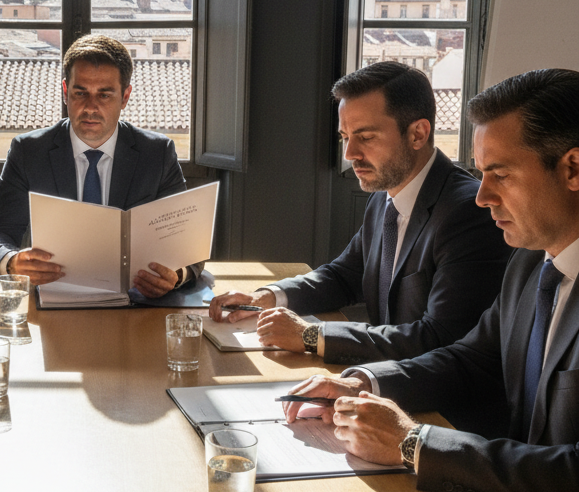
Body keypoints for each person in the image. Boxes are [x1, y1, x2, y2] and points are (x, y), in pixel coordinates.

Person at [282, 68, 579, 492]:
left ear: (573, 168)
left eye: (499, 174)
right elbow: (471, 358)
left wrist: (413, 442)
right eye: (481, 173)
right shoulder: (530, 262)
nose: (482, 197)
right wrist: (363, 383)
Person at [209, 62, 512, 365]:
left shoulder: (468, 212)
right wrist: (268, 296)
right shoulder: (385, 196)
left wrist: (312, 336)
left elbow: (439, 337)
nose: (349, 154)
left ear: (418, 134)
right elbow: (344, 276)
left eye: (365, 137)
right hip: (385, 377)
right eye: (345, 137)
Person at [0, 33, 202, 298]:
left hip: (135, 305)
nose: (90, 107)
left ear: (125, 96)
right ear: (65, 92)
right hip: (54, 307)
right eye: (80, 93)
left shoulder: (157, 153)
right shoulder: (29, 151)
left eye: (105, 95)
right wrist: (12, 262)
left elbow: (188, 246)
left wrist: (176, 277)